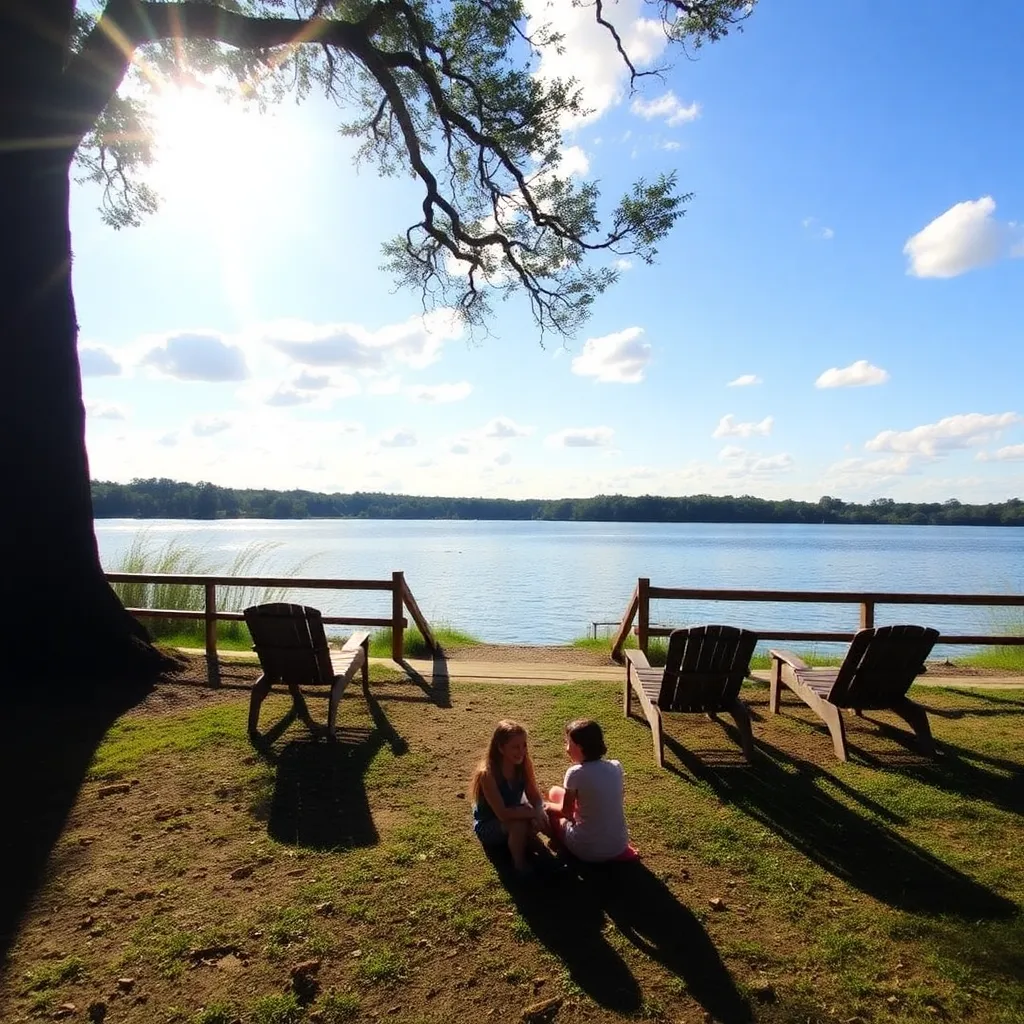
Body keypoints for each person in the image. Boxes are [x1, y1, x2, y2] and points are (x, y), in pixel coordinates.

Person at [545, 718, 634, 863]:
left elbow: (566, 812)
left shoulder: (575, 773)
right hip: (618, 845)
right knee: (555, 791)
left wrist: (545, 806)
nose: (566, 748)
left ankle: (560, 844)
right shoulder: (616, 766)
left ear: (579, 747)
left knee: (551, 817)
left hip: (587, 849)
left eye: (568, 743)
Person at [471, 720, 548, 873]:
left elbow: (534, 794)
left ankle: (551, 853)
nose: (521, 751)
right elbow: (503, 814)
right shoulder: (487, 774)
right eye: (515, 747)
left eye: (524, 745)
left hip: (514, 811)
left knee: (545, 812)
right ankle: (520, 864)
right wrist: (533, 812)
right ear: (500, 748)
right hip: (490, 823)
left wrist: (539, 809)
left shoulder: (523, 763)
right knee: (519, 824)